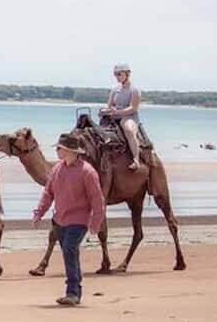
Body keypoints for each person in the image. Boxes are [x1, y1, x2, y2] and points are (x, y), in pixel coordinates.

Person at [32, 134, 104, 306]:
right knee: (71, 254)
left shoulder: (87, 171)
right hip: (59, 220)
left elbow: (97, 199)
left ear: (70, 151)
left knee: (69, 251)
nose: (57, 151)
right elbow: (48, 193)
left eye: (60, 148)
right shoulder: (57, 169)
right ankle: (76, 291)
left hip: (78, 220)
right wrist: (39, 213)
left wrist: (96, 222)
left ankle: (72, 292)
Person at [100, 63, 142, 170]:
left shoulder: (134, 90)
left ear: (127, 74)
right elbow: (109, 106)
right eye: (115, 74)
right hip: (114, 116)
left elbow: (133, 108)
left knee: (128, 130)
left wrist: (118, 112)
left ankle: (136, 159)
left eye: (119, 74)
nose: (117, 76)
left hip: (129, 117)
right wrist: (104, 111)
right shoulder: (114, 90)